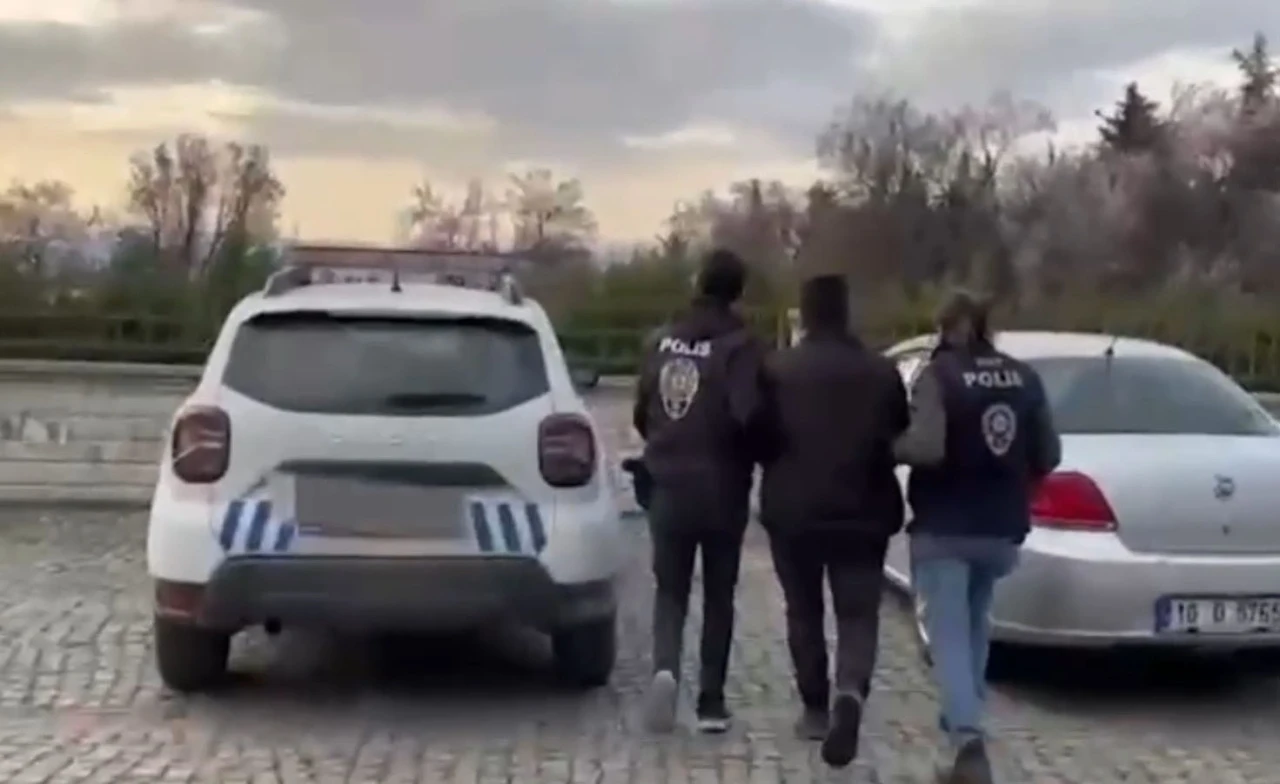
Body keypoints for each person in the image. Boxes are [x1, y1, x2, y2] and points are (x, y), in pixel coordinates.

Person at [895, 290, 1061, 784]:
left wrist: (888, 445)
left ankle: (967, 739)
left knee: (947, 635)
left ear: (945, 327)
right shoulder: (1025, 377)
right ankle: (961, 730)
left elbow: (926, 447)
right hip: (1001, 527)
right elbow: (1049, 454)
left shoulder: (939, 375)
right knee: (974, 628)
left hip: (945, 525)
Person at [756, 274, 909, 768]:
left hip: (793, 510)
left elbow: (758, 436)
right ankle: (851, 689)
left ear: (805, 314)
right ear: (847, 312)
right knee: (858, 614)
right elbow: (899, 432)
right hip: (864, 508)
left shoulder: (777, 369)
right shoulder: (881, 371)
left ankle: (815, 708)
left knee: (803, 611)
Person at [632, 248, 767, 734]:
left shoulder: (661, 341)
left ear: (698, 283)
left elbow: (642, 412)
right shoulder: (742, 346)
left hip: (667, 482)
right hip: (722, 487)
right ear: (738, 291)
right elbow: (749, 416)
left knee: (670, 590)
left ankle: (665, 669)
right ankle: (711, 701)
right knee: (718, 594)